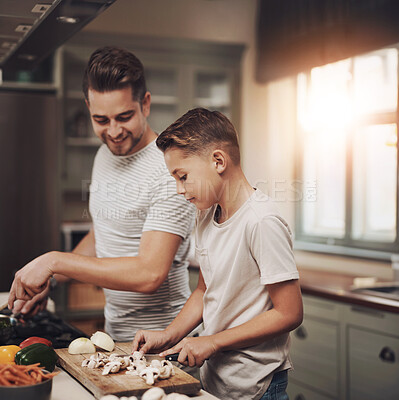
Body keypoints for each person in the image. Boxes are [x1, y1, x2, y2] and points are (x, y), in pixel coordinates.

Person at [8, 46, 196, 342]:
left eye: (124, 116)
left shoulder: (170, 169)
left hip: (168, 344)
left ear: (145, 104)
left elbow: (150, 273)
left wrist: (55, 261)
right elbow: (103, 236)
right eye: (101, 120)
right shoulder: (104, 156)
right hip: (117, 337)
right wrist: (51, 280)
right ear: (88, 108)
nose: (114, 131)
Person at [132, 108, 303, 400]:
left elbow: (289, 313)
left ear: (218, 161)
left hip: (259, 388)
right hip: (216, 381)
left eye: (183, 176)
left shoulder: (261, 221)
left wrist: (212, 343)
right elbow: (204, 290)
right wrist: (169, 335)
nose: (179, 189)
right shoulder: (206, 213)